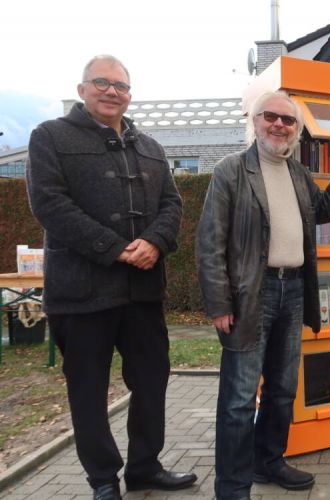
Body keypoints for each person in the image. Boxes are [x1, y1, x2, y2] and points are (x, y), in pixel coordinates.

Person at [26, 55, 194, 500]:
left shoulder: (151, 147)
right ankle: (103, 479)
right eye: (101, 82)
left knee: (153, 380)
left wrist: (156, 242)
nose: (112, 91)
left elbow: (171, 205)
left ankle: (145, 467)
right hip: (81, 294)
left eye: (121, 85)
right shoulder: (50, 137)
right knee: (88, 391)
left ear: (129, 94)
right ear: (82, 89)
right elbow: (49, 205)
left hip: (142, 291)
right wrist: (115, 248)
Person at [196, 90, 330, 500]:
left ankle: (268, 462)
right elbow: (210, 242)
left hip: (293, 290)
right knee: (237, 399)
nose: (280, 125)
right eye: (272, 116)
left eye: (288, 121)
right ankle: (232, 487)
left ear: (296, 131)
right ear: (255, 120)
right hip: (251, 294)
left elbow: (319, 212)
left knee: (283, 389)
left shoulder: (298, 173)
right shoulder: (231, 171)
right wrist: (218, 302)